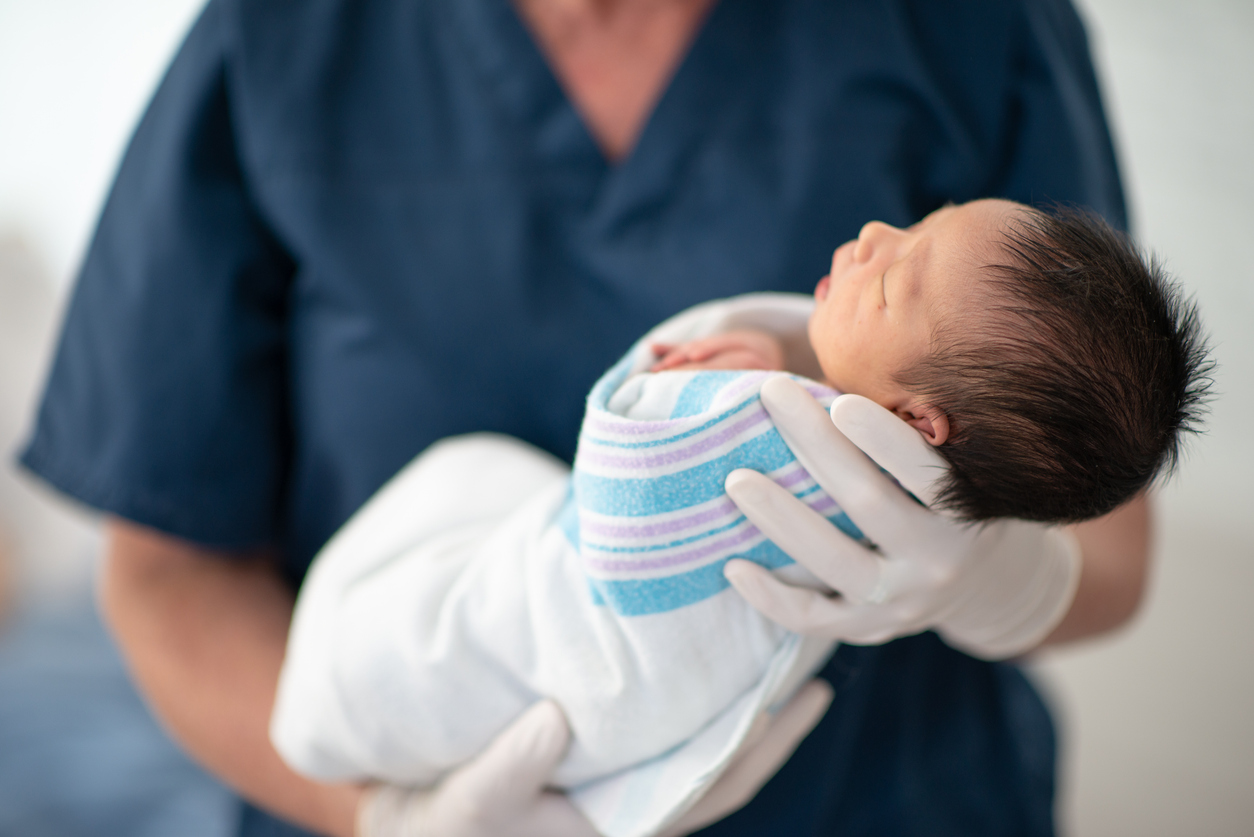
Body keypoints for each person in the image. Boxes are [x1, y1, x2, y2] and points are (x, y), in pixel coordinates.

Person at [18, 1, 1150, 835]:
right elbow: (167, 569)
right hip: (420, 679)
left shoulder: (978, 27)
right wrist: (380, 814)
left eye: (909, 260)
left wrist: (1009, 579)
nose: (873, 239)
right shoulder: (283, 41)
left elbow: (1105, 512)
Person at [269, 198, 1205, 835]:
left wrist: (1011, 585)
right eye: (921, 221)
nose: (878, 231)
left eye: (894, 279)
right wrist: (774, 353)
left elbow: (635, 473)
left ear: (920, 426)